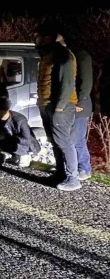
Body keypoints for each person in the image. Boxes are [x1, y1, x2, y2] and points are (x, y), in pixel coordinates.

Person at [35, 21, 81, 191]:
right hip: (47, 105)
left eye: (37, 37)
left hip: (60, 107)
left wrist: (60, 107)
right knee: (54, 141)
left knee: (64, 141)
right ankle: (61, 173)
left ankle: (73, 178)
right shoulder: (48, 54)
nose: (35, 40)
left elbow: (67, 83)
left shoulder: (63, 54)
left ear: (47, 38)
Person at [0, 96, 41, 167]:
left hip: (25, 146)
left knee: (8, 142)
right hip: (9, 141)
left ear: (4, 110)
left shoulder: (20, 120)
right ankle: (12, 154)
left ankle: (25, 155)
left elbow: (27, 141)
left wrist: (8, 138)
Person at [66, 40, 93, 180]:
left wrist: (80, 101)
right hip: (72, 103)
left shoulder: (82, 56)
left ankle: (85, 168)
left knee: (77, 138)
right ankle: (75, 166)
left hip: (80, 106)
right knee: (71, 137)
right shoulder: (73, 56)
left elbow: (86, 81)